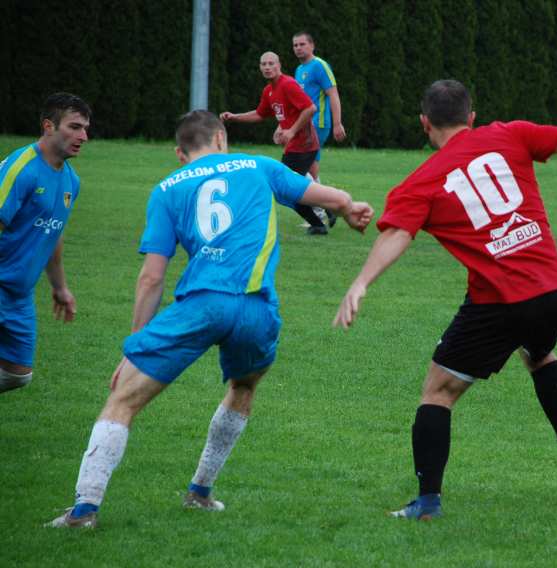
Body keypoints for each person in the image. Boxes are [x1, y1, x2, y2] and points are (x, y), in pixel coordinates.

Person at [333, 79, 557, 519]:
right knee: (539, 353)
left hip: (498, 302)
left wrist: (362, 282)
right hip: (552, 290)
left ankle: (427, 503)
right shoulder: (509, 133)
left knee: (437, 394)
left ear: (425, 124)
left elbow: (398, 234)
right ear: (472, 117)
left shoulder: (420, 182)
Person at [48, 110, 373, 528]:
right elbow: (325, 196)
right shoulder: (258, 165)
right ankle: (200, 491)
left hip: (201, 304)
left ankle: (84, 510)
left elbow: (151, 278)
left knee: (123, 399)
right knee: (243, 386)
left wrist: (136, 346)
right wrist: (349, 208)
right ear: (221, 138)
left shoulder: (167, 188)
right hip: (256, 309)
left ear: (180, 154)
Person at [0, 92, 90, 394]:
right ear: (48, 126)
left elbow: (53, 234)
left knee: (17, 374)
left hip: (19, 293)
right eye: (74, 127)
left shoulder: (71, 181)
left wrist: (59, 287)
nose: (83, 136)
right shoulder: (21, 169)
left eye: (85, 128)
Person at [220, 51, 330, 235]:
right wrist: (234, 117)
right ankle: (326, 212)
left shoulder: (288, 85)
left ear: (279, 65)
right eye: (264, 64)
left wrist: (292, 131)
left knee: (284, 188)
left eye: (271, 63)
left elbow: (310, 108)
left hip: (304, 145)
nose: (267, 67)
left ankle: (319, 220)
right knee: (289, 188)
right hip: (294, 147)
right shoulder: (269, 90)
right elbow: (260, 114)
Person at [293, 31, 346, 229]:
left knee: (297, 166)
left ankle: (321, 209)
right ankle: (326, 208)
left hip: (317, 124)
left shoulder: (320, 65)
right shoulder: (299, 69)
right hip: (304, 125)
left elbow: (333, 94)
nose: (298, 48)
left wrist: (338, 123)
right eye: (295, 45)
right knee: (310, 170)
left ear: (312, 45)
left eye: (302, 44)